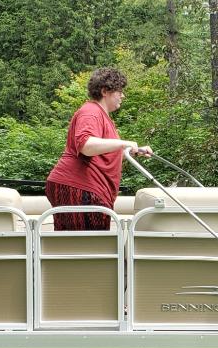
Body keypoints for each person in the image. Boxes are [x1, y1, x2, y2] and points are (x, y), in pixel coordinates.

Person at [45, 68, 152, 230]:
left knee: (87, 247)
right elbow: (86, 146)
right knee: (87, 248)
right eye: (119, 91)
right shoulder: (91, 112)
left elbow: (103, 153)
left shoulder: (102, 116)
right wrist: (123, 143)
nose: (123, 96)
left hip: (86, 188)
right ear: (104, 91)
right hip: (80, 186)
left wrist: (132, 151)